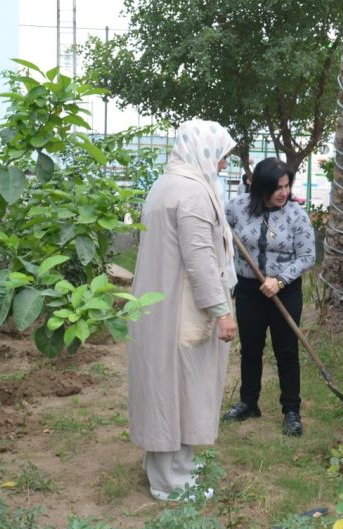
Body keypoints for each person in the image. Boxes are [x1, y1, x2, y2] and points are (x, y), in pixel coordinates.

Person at [128, 120, 237, 502]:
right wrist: (222, 311)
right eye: (222, 155)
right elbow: (200, 259)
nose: (224, 164)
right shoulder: (191, 193)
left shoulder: (165, 186)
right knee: (178, 390)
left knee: (164, 386)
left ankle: (171, 467)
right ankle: (170, 482)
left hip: (157, 307)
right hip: (179, 311)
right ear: (203, 151)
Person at [222, 157, 316, 436]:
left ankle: (291, 410)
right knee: (251, 347)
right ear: (261, 187)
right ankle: (248, 402)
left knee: (286, 350)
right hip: (249, 289)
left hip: (285, 291)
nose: (283, 193)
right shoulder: (237, 207)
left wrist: (280, 280)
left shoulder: (296, 214)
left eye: (286, 186)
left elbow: (308, 256)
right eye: (277, 187)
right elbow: (217, 228)